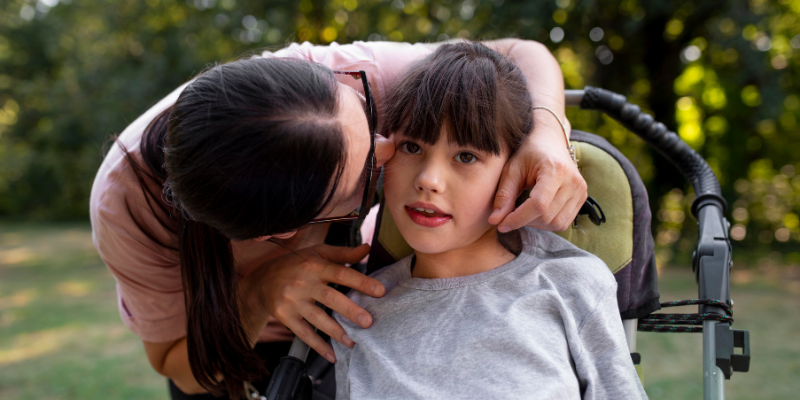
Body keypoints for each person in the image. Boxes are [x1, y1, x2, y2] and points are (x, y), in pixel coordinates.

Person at [89, 39, 587, 399]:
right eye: (369, 169)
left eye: (368, 117)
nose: (393, 150)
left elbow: (521, 55)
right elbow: (176, 364)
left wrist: (548, 129)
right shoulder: (127, 208)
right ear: (287, 231)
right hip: (237, 356)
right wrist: (260, 293)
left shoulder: (339, 78)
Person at [332, 42, 647, 399]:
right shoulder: (356, 314)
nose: (429, 180)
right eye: (412, 147)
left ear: (516, 171)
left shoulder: (571, 285)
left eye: (465, 156)